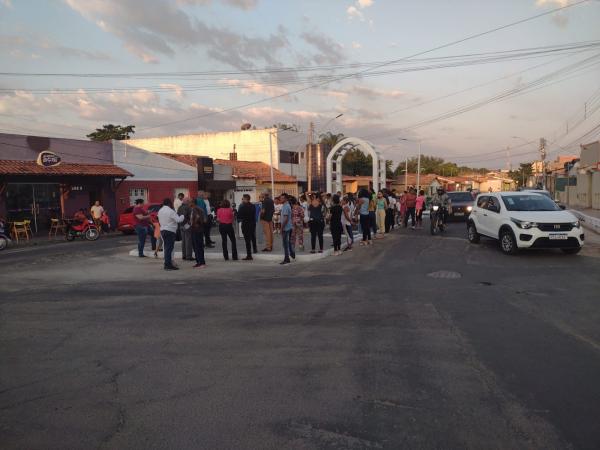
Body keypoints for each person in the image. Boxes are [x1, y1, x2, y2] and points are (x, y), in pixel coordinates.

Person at [158, 198, 184, 270]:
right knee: (169, 249)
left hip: (163, 230)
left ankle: (167, 263)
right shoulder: (170, 211)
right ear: (169, 203)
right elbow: (178, 220)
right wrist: (182, 216)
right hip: (170, 231)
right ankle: (168, 265)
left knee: (166, 248)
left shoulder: (160, 210)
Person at [237, 194, 257, 261]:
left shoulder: (242, 207)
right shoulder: (253, 206)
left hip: (246, 225)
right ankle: (255, 249)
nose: (242, 200)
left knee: (247, 241)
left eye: (243, 199)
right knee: (253, 236)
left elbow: (239, 216)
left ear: (245, 199)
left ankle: (249, 255)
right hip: (252, 223)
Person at [190, 200, 206, 268]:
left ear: (193, 203)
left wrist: (194, 224)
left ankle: (200, 262)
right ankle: (201, 262)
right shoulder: (199, 209)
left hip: (196, 230)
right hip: (199, 229)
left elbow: (198, 217)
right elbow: (204, 219)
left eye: (190, 202)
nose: (189, 203)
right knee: (199, 246)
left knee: (197, 246)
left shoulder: (195, 209)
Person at [279, 193, 295, 265]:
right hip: (289, 226)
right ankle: (292, 253)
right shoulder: (287, 205)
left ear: (285, 199)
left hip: (286, 227)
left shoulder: (286, 206)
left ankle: (286, 258)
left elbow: (285, 218)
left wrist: (281, 228)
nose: (280, 199)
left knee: (285, 244)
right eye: (280, 198)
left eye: (282, 198)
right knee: (288, 242)